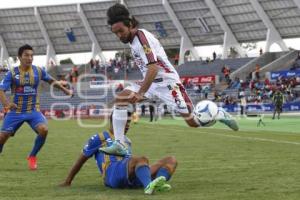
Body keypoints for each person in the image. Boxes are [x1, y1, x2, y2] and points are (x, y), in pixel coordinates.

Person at [100, 3, 239, 156]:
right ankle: (120, 143)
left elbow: (154, 68)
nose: (119, 35)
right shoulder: (133, 41)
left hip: (169, 85)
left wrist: (140, 93)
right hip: (152, 83)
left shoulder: (142, 38)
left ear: (130, 24)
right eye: (116, 33)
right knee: (121, 99)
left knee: (193, 122)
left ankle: (218, 113)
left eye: (121, 31)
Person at [60, 115, 177, 195]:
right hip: (112, 174)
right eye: (124, 122)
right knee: (141, 159)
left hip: (127, 175)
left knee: (171, 160)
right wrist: (68, 181)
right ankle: (148, 186)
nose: (127, 125)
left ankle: (156, 184)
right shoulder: (100, 137)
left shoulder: (127, 140)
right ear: (114, 122)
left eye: (129, 122)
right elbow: (81, 160)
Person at [0, 44, 73, 170]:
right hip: (15, 111)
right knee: (2, 138)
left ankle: (32, 156)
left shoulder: (38, 71)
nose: (30, 58)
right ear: (19, 57)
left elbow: (52, 81)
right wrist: (6, 104)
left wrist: (65, 91)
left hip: (33, 110)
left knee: (44, 130)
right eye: (26, 55)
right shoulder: (12, 73)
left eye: (31, 55)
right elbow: (1, 89)